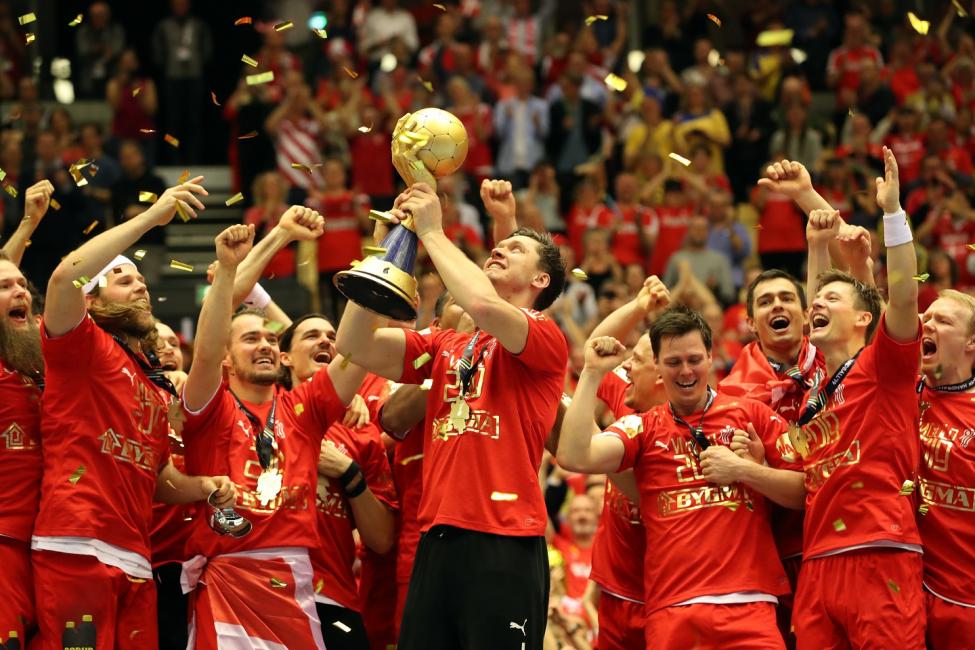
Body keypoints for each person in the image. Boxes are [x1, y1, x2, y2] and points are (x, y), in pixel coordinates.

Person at [335, 174, 568, 648]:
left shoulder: (543, 337)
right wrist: (390, 252)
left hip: (504, 541)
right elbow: (353, 343)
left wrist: (433, 232)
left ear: (540, 280)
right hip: (436, 539)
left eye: (516, 249)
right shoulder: (445, 344)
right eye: (500, 246)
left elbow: (481, 303)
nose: (500, 250)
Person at [32, 177, 236, 649]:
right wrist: (150, 218)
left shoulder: (153, 384)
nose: (141, 287)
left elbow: (159, 477)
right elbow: (65, 277)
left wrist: (205, 487)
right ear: (93, 300)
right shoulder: (78, 342)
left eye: (142, 281)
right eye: (124, 280)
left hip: (136, 557)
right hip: (74, 544)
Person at [558, 305, 806, 649]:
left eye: (694, 359)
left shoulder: (751, 415)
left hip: (749, 606)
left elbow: (803, 492)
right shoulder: (641, 427)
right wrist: (591, 373)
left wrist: (742, 470)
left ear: (710, 357)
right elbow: (574, 455)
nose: (685, 371)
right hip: (672, 613)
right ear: (658, 368)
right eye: (673, 363)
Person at [180, 210, 368, 650]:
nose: (264, 344)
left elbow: (354, 353)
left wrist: (380, 267)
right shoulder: (211, 407)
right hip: (229, 577)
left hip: (293, 577)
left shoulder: (303, 408)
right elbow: (205, 352)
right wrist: (228, 269)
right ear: (228, 359)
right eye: (249, 339)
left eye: (269, 339)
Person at [791, 147, 924, 649]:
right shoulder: (817, 386)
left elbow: (905, 296)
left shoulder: (884, 366)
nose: (816, 304)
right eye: (816, 302)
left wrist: (892, 214)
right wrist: (809, 210)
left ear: (865, 318)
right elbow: (820, 293)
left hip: (879, 549)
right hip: (818, 560)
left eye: (831, 300)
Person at [278, 314, 398, 650]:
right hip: (270, 595)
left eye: (332, 336)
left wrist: (350, 474)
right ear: (284, 357)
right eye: (311, 335)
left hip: (335, 598)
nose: (326, 341)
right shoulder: (263, 411)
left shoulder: (361, 431)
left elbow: (382, 540)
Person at [0, 181, 55, 645]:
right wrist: (25, 226)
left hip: (52, 546)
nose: (21, 291)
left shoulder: (36, 362)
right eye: (6, 286)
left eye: (23, 285)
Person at [917, 290, 975, 649]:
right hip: (909, 589)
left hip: (967, 599)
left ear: (971, 343)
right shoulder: (904, 391)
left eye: (944, 321)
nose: (928, 324)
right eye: (927, 317)